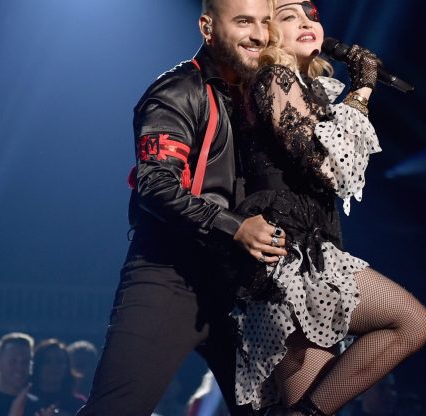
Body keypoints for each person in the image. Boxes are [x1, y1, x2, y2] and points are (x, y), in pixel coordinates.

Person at [76, 0, 288, 414]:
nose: (259, 35)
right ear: (207, 27)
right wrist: (235, 226)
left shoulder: (259, 95)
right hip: (169, 277)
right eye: (244, 21)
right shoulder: (176, 90)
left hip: (237, 287)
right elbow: (156, 184)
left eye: (264, 22)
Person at [229, 1, 426, 414]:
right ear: (268, 34)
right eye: (289, 17)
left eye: (311, 17)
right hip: (288, 259)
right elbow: (326, 168)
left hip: (307, 253)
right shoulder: (275, 77)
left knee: (311, 403)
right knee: (411, 321)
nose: (307, 22)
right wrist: (361, 91)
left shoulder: (304, 88)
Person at [30, 340, 84, 416]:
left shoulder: (79, 404)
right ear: (38, 365)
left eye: (60, 361)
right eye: (47, 361)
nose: (54, 366)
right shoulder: (24, 401)